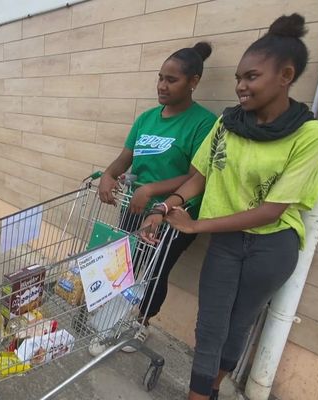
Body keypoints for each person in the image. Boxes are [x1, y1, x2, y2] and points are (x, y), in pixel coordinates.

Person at [141, 14, 318, 400]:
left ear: (286, 75)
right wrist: (166, 207)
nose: (241, 86)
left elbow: (272, 210)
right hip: (225, 241)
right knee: (210, 325)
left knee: (239, 323)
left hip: (271, 246)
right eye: (239, 78)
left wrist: (195, 226)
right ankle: (199, 394)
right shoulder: (228, 124)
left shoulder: (311, 136)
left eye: (252, 77)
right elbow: (197, 178)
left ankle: (211, 388)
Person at [95, 42, 217, 353]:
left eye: (171, 80)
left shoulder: (204, 123)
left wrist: (151, 190)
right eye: (160, 77)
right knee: (127, 264)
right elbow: (125, 159)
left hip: (174, 212)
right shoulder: (147, 118)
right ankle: (112, 319)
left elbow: (196, 176)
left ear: (193, 82)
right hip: (135, 206)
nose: (162, 85)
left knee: (154, 269)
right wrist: (109, 175)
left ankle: (141, 323)